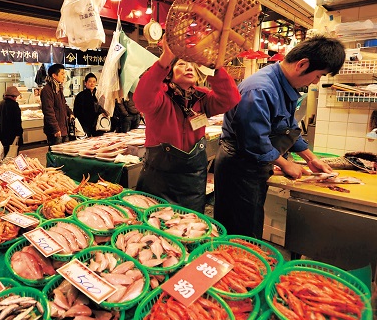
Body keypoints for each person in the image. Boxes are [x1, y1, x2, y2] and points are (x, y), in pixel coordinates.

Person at [214, 36, 346, 238]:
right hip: (239, 167)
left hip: (255, 165)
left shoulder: (284, 84)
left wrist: (311, 159)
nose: (316, 82)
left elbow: (288, 127)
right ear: (302, 65)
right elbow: (255, 142)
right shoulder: (259, 90)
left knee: (251, 225)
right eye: (319, 75)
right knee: (239, 232)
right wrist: (285, 164)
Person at [133, 39, 240, 214]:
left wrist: (212, 67)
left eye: (192, 65)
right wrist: (164, 59)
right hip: (158, 178)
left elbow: (231, 98)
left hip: (192, 181)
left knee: (190, 230)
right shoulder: (161, 96)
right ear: (170, 72)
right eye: (182, 64)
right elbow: (142, 99)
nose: (189, 67)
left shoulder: (202, 98)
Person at [41, 64, 73, 145]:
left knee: (65, 154)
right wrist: (55, 129)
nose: (64, 76)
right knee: (56, 155)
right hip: (55, 130)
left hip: (63, 128)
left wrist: (70, 113)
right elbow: (48, 111)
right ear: (54, 75)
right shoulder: (47, 90)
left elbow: (63, 104)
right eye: (62, 74)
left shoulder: (58, 88)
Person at [0, 86, 23, 155]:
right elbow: (17, 121)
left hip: (2, 133)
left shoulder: (0, 104)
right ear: (13, 96)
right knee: (12, 154)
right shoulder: (14, 105)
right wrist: (19, 133)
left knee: (5, 152)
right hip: (12, 135)